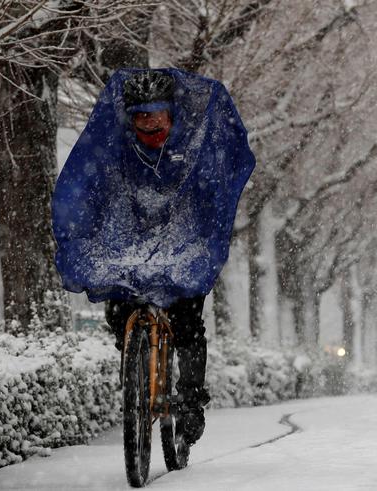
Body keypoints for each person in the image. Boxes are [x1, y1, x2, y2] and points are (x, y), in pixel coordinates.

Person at [51, 68, 255, 446]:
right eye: (140, 114)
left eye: (155, 114)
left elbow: (213, 190)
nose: (148, 122)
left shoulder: (193, 147)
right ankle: (136, 365)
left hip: (182, 242)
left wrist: (208, 227)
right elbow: (85, 185)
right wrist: (76, 224)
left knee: (188, 323)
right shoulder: (115, 147)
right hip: (128, 241)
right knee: (117, 310)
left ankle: (191, 401)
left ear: (171, 114)